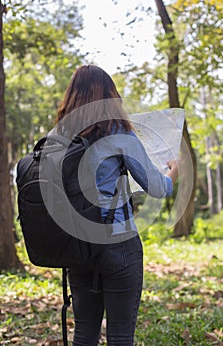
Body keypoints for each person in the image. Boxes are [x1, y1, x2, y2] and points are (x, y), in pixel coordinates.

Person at [55, 64, 179, 346]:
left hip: (78, 246)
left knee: (84, 334)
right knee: (120, 336)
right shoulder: (117, 132)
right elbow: (158, 188)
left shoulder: (59, 137)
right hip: (118, 244)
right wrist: (173, 172)